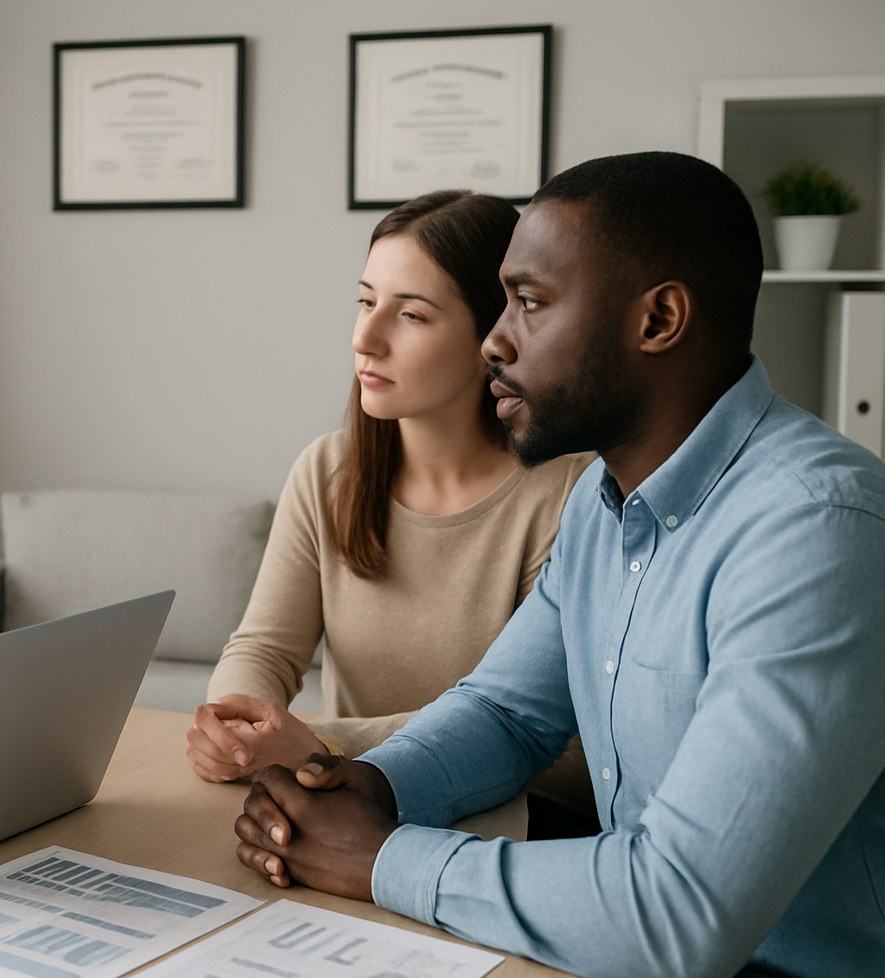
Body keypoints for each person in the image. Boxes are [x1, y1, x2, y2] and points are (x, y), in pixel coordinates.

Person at [232, 152, 885, 978]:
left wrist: (378, 856)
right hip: (615, 953)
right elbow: (507, 713)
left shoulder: (821, 528)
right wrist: (370, 787)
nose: (494, 340)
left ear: (658, 318)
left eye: (531, 302)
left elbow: (679, 913)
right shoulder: (605, 495)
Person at [185, 190, 595, 835]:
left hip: (500, 827)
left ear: (494, 337)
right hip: (343, 810)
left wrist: (322, 745)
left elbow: (551, 741)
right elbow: (265, 646)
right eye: (366, 301)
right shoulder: (326, 470)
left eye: (412, 315)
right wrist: (238, 728)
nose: (364, 338)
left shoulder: (573, 493)